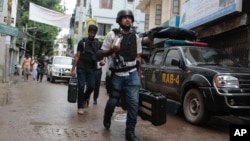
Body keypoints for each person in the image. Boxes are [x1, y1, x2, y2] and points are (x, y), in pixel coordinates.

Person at [98, 9, 143, 141]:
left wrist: (139, 75)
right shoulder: (112, 35)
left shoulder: (136, 37)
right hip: (117, 74)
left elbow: (138, 57)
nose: (128, 19)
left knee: (134, 103)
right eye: (124, 17)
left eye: (130, 17)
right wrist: (112, 50)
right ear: (119, 20)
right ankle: (107, 116)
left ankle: (130, 133)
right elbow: (101, 53)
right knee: (113, 101)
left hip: (132, 74)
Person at [71, 25, 101, 115]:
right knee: (81, 86)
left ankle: (84, 98)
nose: (92, 34)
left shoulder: (98, 43)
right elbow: (77, 56)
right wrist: (73, 69)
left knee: (92, 86)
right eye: (91, 32)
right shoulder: (82, 42)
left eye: (94, 33)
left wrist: (103, 60)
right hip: (81, 67)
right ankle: (80, 107)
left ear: (96, 33)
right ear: (88, 32)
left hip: (92, 68)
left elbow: (101, 54)